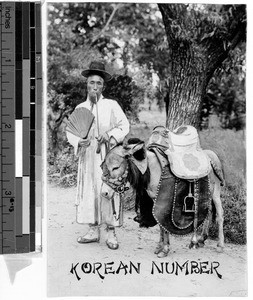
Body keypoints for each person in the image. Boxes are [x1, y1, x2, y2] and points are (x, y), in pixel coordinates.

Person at [66, 61, 130, 250]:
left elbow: (124, 126)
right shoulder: (80, 108)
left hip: (107, 157)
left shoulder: (111, 105)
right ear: (86, 84)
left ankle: (111, 231)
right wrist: (79, 141)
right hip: (87, 157)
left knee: (107, 190)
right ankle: (93, 230)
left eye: (99, 83)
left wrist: (109, 135)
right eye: (92, 82)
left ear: (103, 86)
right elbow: (71, 131)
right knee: (89, 190)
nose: (95, 87)